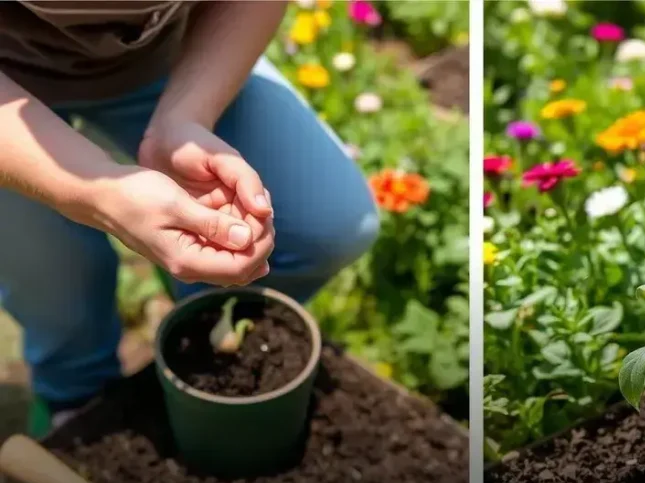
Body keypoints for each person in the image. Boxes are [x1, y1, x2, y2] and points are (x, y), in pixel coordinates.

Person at [0, 1, 380, 422]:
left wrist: (187, 114)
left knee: (328, 225)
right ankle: (75, 394)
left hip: (174, 58)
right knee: (54, 279)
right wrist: (98, 192)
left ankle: (199, 322)